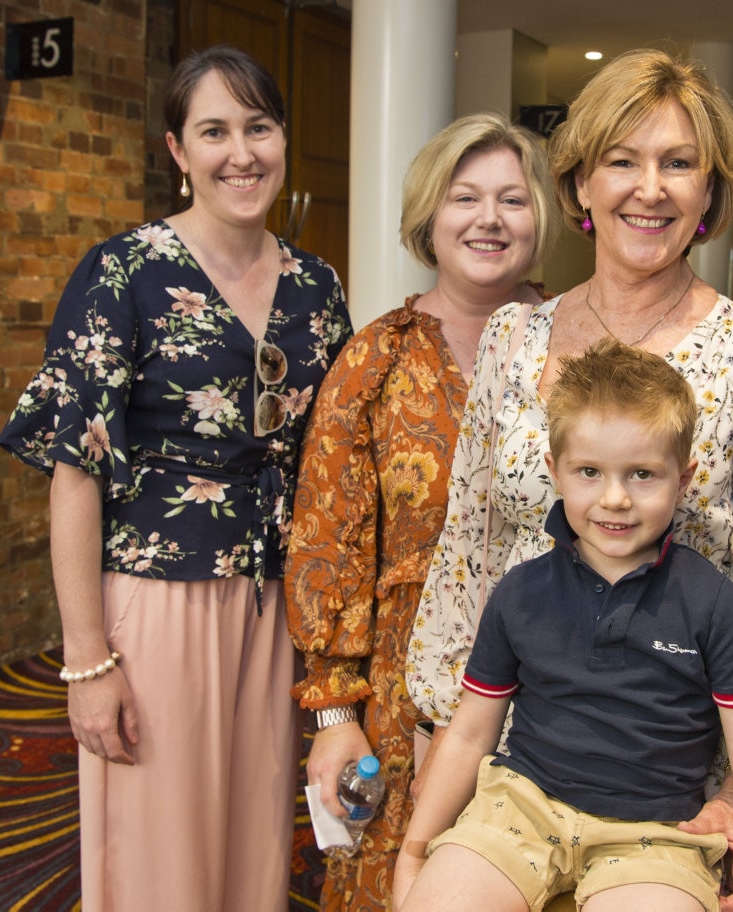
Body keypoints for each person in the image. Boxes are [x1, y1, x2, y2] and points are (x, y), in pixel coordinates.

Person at [407, 48, 733, 910]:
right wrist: (440, 735)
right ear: (580, 184)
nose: (650, 188)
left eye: (680, 165)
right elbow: (469, 549)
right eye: (623, 161)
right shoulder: (513, 339)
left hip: (661, 780)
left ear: (709, 194)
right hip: (508, 768)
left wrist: (728, 798)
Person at [0, 46, 352, 911]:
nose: (242, 153)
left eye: (258, 128)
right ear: (176, 150)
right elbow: (73, 472)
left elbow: (333, 462)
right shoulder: (123, 272)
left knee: (256, 847)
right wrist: (87, 662)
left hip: (273, 605)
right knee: (159, 851)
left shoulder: (318, 285)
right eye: (215, 131)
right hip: (157, 597)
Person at [394, 340, 733, 912]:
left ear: (682, 480)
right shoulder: (520, 592)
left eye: (642, 474)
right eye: (590, 471)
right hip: (520, 809)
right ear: (555, 471)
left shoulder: (710, 600)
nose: (615, 499)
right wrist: (414, 851)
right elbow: (468, 733)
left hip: (656, 836)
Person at [284, 112, 555, 911]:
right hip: (409, 701)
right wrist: (335, 713)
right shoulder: (376, 358)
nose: (490, 219)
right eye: (465, 197)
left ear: (539, 218)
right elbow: (325, 545)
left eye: (513, 199)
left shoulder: (580, 343)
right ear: (427, 218)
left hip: (560, 682)